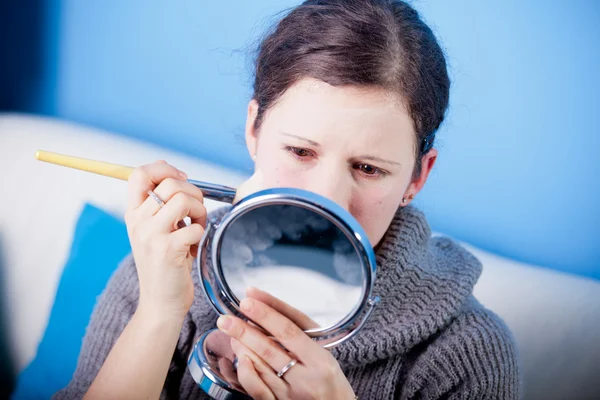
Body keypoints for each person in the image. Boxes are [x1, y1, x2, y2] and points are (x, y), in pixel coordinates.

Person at [55, 1, 521, 399]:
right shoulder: (163, 269)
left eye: (368, 169)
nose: (325, 197)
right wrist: (158, 312)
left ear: (417, 177)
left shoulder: (465, 352)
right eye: (300, 151)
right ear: (254, 130)